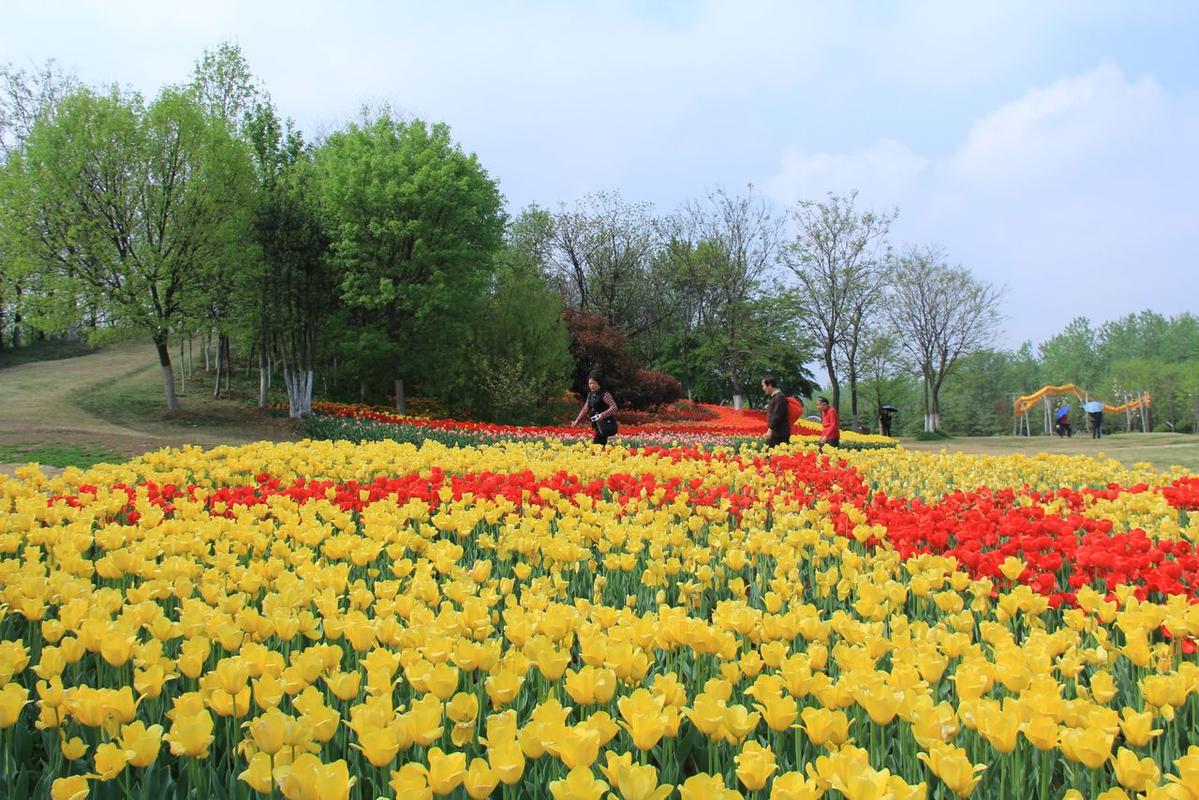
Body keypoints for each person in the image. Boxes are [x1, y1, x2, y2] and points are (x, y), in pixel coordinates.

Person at [573, 373, 618, 445]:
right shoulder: (590, 395)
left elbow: (614, 407)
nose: (591, 385)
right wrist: (577, 420)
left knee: (596, 444)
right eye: (589, 384)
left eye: (593, 383)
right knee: (600, 445)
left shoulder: (605, 394)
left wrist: (602, 415)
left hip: (605, 424)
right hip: (597, 424)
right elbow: (585, 409)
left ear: (599, 383)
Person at [761, 376, 790, 447]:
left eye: (764, 386)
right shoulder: (776, 397)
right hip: (776, 433)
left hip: (779, 434)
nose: (763, 388)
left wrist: (770, 430)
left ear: (770, 385)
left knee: (774, 456)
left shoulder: (779, 397)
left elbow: (777, 415)